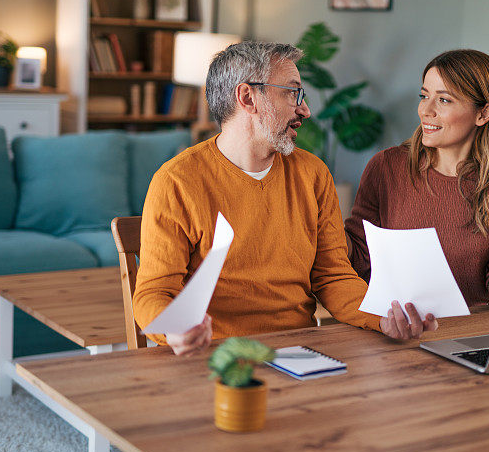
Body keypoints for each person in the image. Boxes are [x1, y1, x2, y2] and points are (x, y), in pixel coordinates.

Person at [133, 40, 437, 356]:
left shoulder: (313, 174)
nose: (305, 109)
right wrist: (175, 329)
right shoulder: (177, 181)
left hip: (300, 353)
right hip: (216, 356)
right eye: (292, 93)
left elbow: (334, 277)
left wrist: (384, 318)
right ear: (247, 97)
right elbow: (154, 294)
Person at [345, 49, 489, 309]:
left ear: (483, 114)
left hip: (466, 332)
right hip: (392, 326)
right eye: (424, 96)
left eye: (444, 100)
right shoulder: (386, 167)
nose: (426, 110)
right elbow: (358, 258)